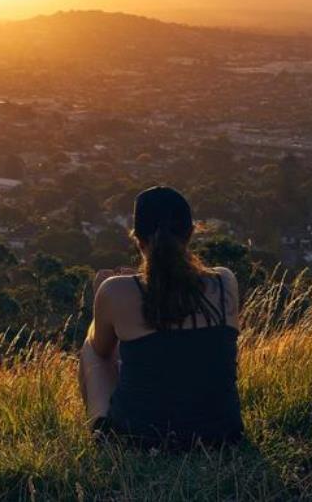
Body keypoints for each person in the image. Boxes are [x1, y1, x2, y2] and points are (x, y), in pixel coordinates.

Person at [79, 185, 243, 449]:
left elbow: (102, 349)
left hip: (137, 441)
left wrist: (105, 293)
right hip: (224, 437)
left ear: (138, 239)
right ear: (190, 233)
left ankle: (100, 436)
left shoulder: (115, 290)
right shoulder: (224, 281)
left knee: (91, 348)